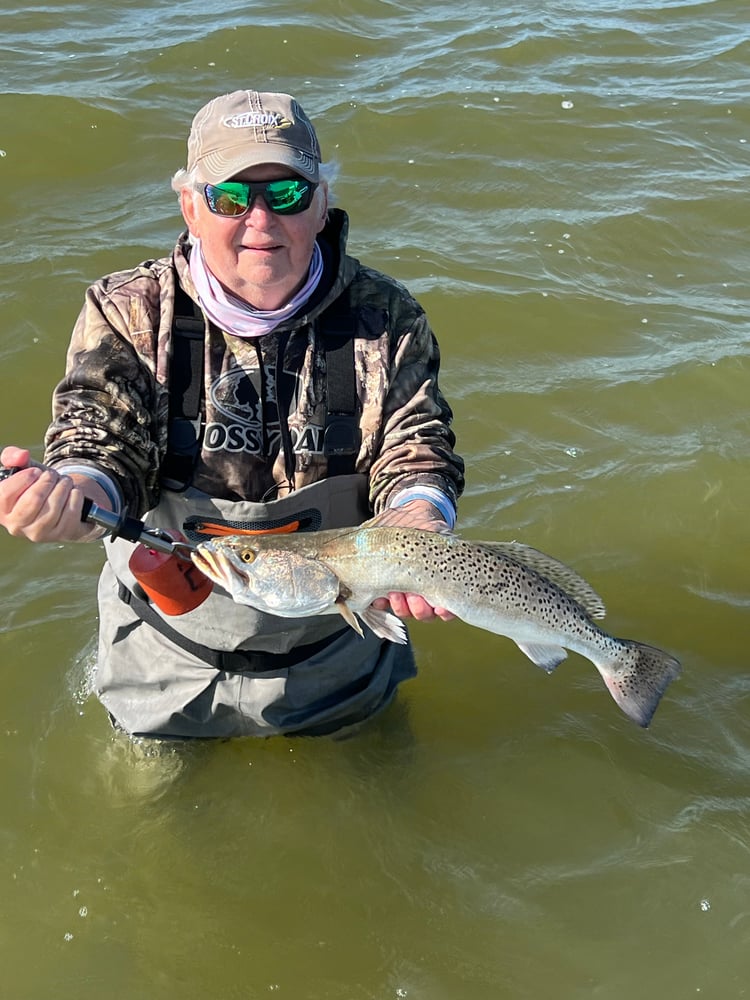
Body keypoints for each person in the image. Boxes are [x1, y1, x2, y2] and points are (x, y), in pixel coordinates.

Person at [0, 89, 464, 739]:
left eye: (286, 194)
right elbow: (101, 440)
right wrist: (71, 493)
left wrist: (417, 516)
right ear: (190, 206)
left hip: (337, 658)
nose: (260, 220)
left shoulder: (386, 318)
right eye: (230, 197)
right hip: (161, 659)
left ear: (322, 202)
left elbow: (416, 444)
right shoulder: (126, 310)